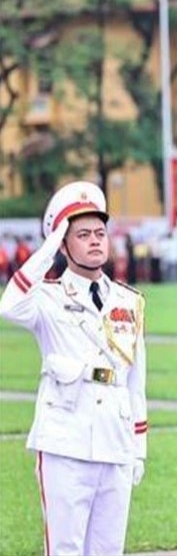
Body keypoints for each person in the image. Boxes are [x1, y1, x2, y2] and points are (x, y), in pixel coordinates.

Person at [0, 181, 147, 556]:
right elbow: (8, 306)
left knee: (108, 549)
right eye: (82, 235)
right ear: (63, 245)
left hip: (115, 441)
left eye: (100, 233)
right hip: (65, 441)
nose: (95, 241)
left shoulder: (128, 300)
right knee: (65, 549)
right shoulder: (46, 298)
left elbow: (135, 381)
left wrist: (139, 448)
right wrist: (48, 249)